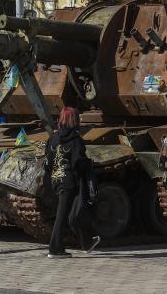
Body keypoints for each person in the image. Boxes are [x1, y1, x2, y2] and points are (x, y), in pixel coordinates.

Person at [44, 107, 100, 258]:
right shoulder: (76, 140)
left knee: (74, 212)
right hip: (69, 182)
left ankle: (87, 241)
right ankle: (54, 249)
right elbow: (78, 162)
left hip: (55, 180)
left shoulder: (52, 139)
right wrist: (88, 164)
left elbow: (47, 162)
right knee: (63, 215)